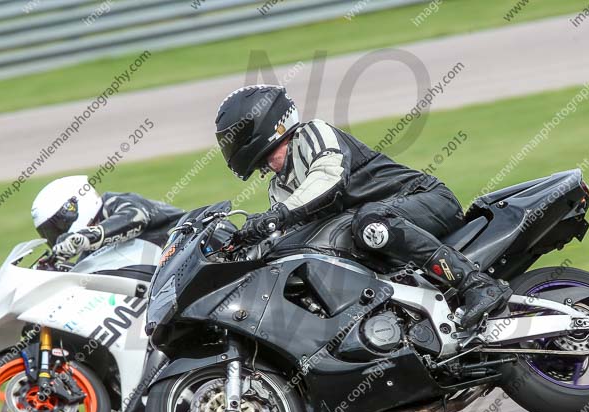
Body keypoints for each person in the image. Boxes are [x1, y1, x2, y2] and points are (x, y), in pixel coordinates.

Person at [214, 85, 511, 330]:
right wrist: (244, 245)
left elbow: (327, 178)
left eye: (266, 157)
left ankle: (478, 286)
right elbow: (293, 240)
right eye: (261, 166)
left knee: (370, 223)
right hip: (382, 230)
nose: (267, 167)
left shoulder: (313, 135)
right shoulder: (279, 188)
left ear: (277, 130)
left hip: (425, 200)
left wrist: (276, 216)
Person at [31, 175, 185, 258]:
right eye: (47, 232)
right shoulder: (88, 254)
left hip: (191, 244)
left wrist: (88, 236)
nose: (57, 237)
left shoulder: (114, 203)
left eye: (55, 228)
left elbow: (135, 218)